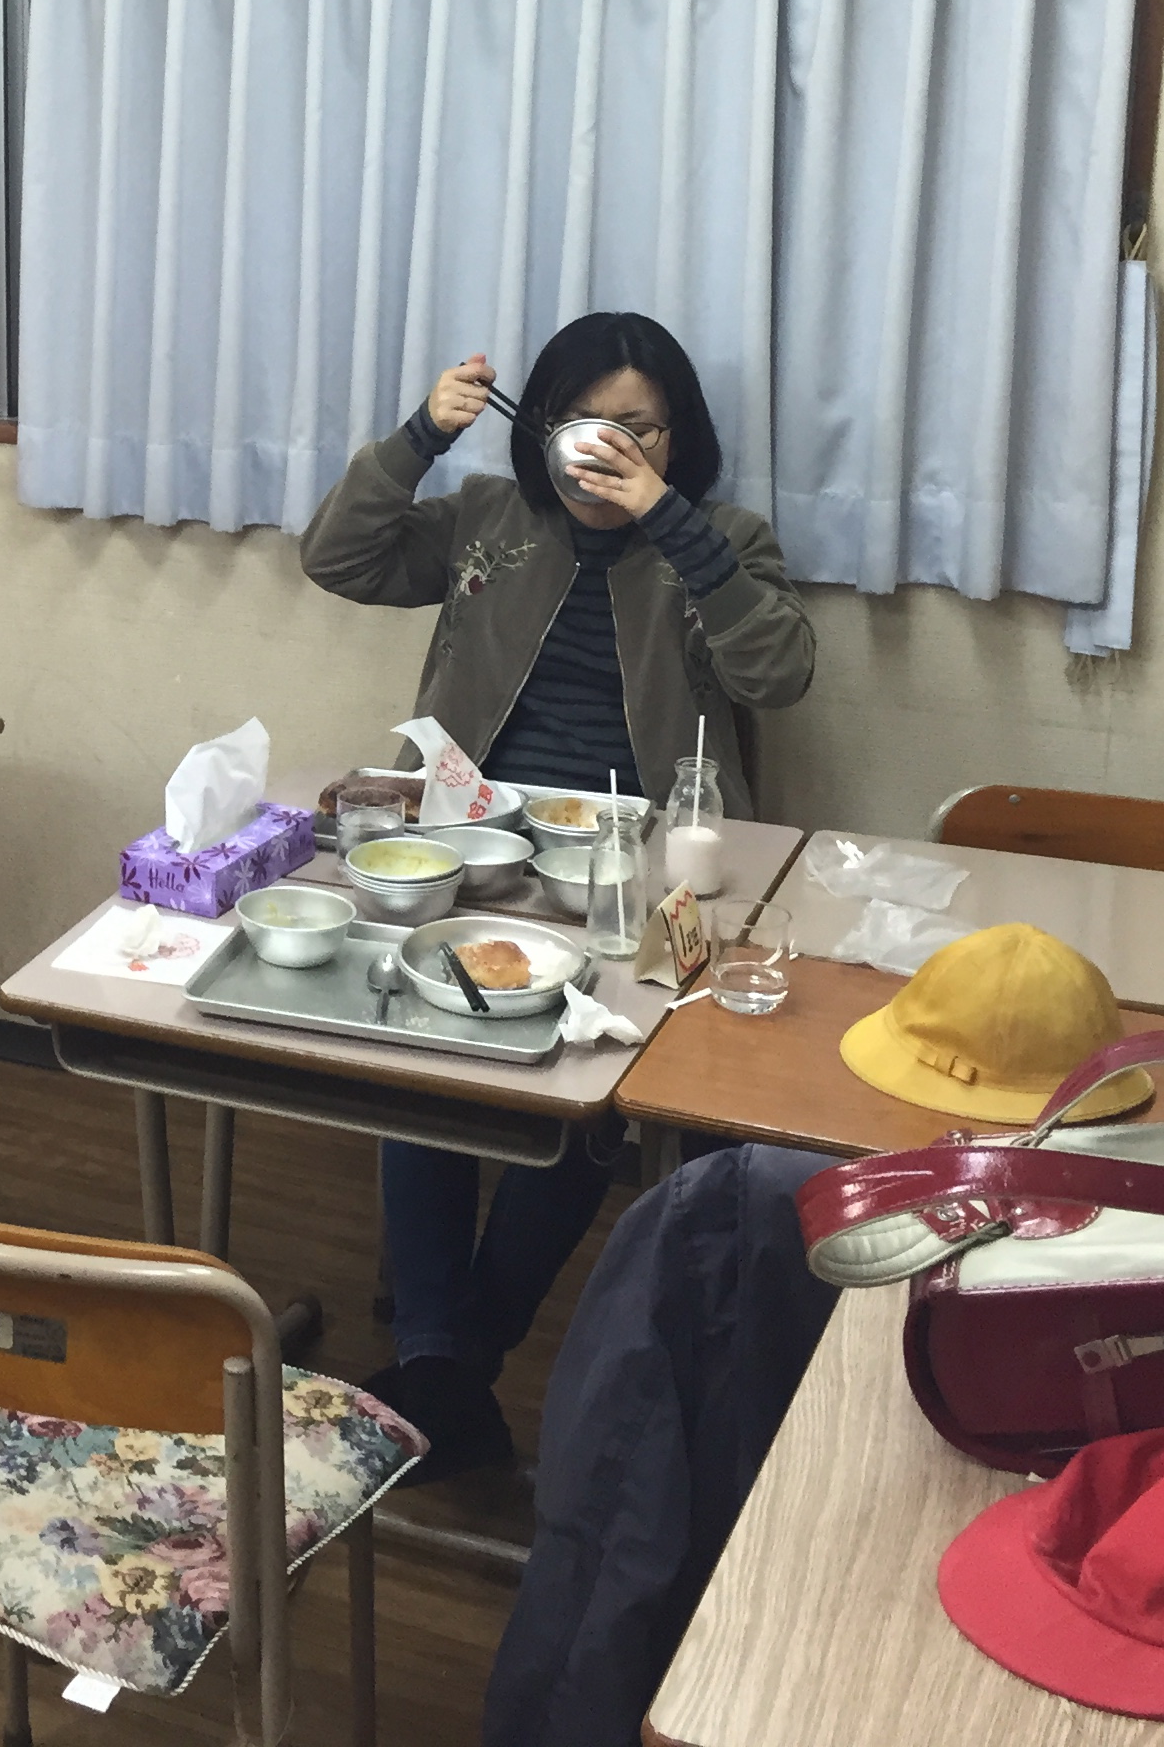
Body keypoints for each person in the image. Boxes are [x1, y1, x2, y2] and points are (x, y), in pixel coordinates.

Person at [300, 310, 814, 1474]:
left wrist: (670, 520)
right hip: (475, 846)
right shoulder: (491, 520)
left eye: (639, 428)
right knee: (422, 1052)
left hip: (651, 870)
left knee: (599, 1084)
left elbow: (779, 673)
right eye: (585, 423)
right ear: (540, 429)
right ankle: (443, 1357)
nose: (607, 448)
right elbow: (338, 559)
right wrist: (420, 437)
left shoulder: (721, 539)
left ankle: (450, 1358)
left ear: (678, 440)